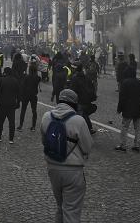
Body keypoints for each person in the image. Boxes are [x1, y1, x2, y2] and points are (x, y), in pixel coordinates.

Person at [40, 89, 93, 223]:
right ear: (74, 103)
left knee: (60, 207)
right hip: (73, 172)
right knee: (71, 211)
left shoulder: (46, 116)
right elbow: (87, 147)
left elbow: (44, 141)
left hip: (53, 169)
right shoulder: (79, 121)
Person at [115, 65, 140, 152]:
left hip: (127, 109)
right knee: (137, 128)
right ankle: (137, 145)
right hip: (138, 109)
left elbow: (122, 98)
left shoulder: (125, 83)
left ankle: (123, 145)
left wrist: (119, 109)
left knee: (125, 127)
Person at [0, 67, 20, 144]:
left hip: (2, 103)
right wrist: (18, 103)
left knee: (0, 121)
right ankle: (11, 139)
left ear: (5, 72)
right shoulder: (15, 81)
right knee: (11, 122)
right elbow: (19, 94)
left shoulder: (1, 80)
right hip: (12, 104)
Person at [18, 60, 41, 132]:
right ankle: (33, 126)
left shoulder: (26, 77)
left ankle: (20, 125)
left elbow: (23, 86)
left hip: (26, 95)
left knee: (23, 110)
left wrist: (20, 96)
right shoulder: (38, 78)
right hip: (34, 95)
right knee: (34, 111)